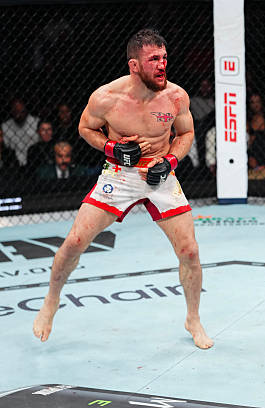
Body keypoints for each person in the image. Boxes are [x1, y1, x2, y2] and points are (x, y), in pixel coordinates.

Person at [32, 28, 213, 349]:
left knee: (190, 251)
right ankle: (51, 301)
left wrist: (170, 161)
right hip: (119, 174)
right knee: (74, 242)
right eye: (153, 59)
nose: (162, 64)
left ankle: (193, 319)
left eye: (164, 57)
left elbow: (186, 134)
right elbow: (85, 128)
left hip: (160, 173)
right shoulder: (106, 98)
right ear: (134, 65)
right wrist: (112, 148)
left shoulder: (176, 96)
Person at [1, 98, 40, 167]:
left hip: (35, 162)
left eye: (22, 111)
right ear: (11, 111)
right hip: (14, 164)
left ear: (26, 110)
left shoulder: (36, 123)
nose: (19, 115)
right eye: (16, 111)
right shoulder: (5, 126)